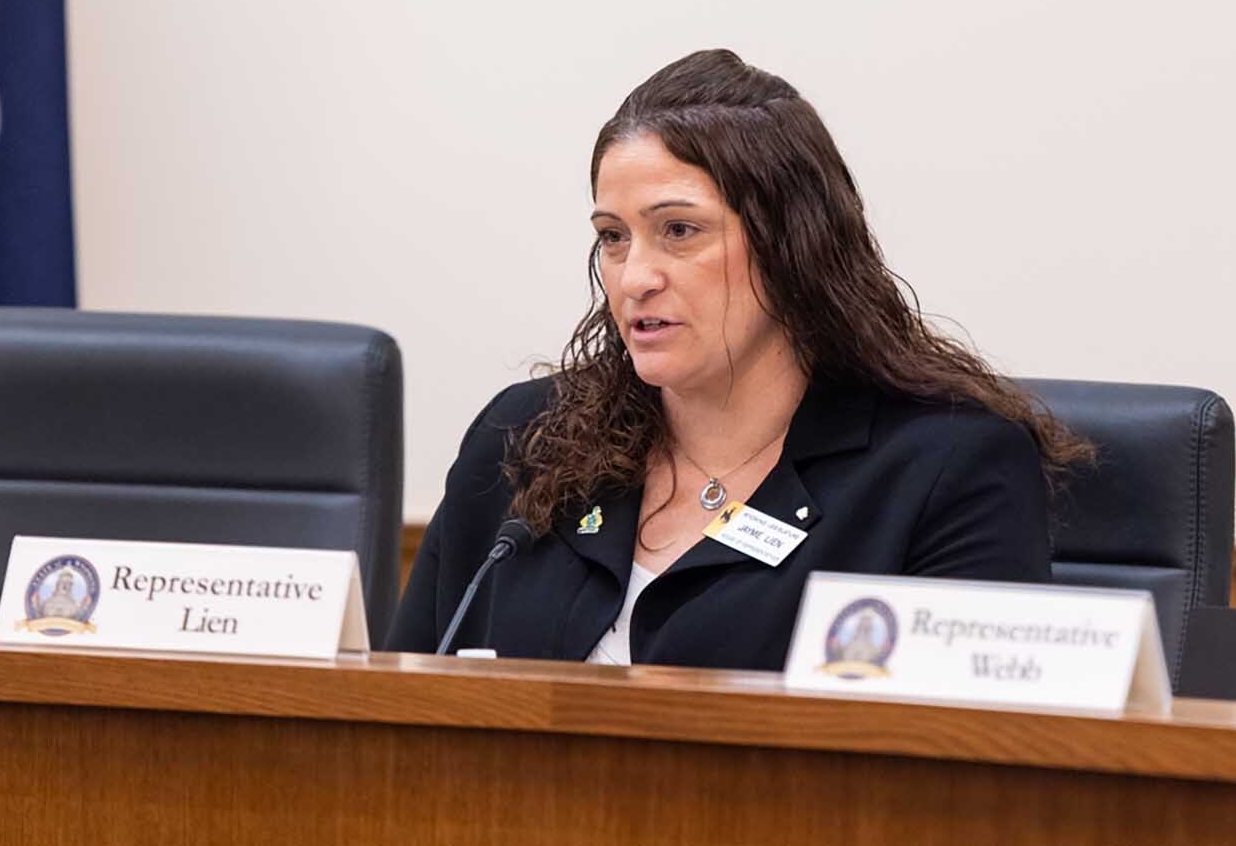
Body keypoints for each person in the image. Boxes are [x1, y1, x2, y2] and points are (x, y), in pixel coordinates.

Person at [392, 49, 1091, 670]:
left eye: (679, 231)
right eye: (613, 237)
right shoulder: (528, 439)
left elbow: (962, 773)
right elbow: (402, 711)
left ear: (792, 246)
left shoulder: (946, 469)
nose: (634, 277)